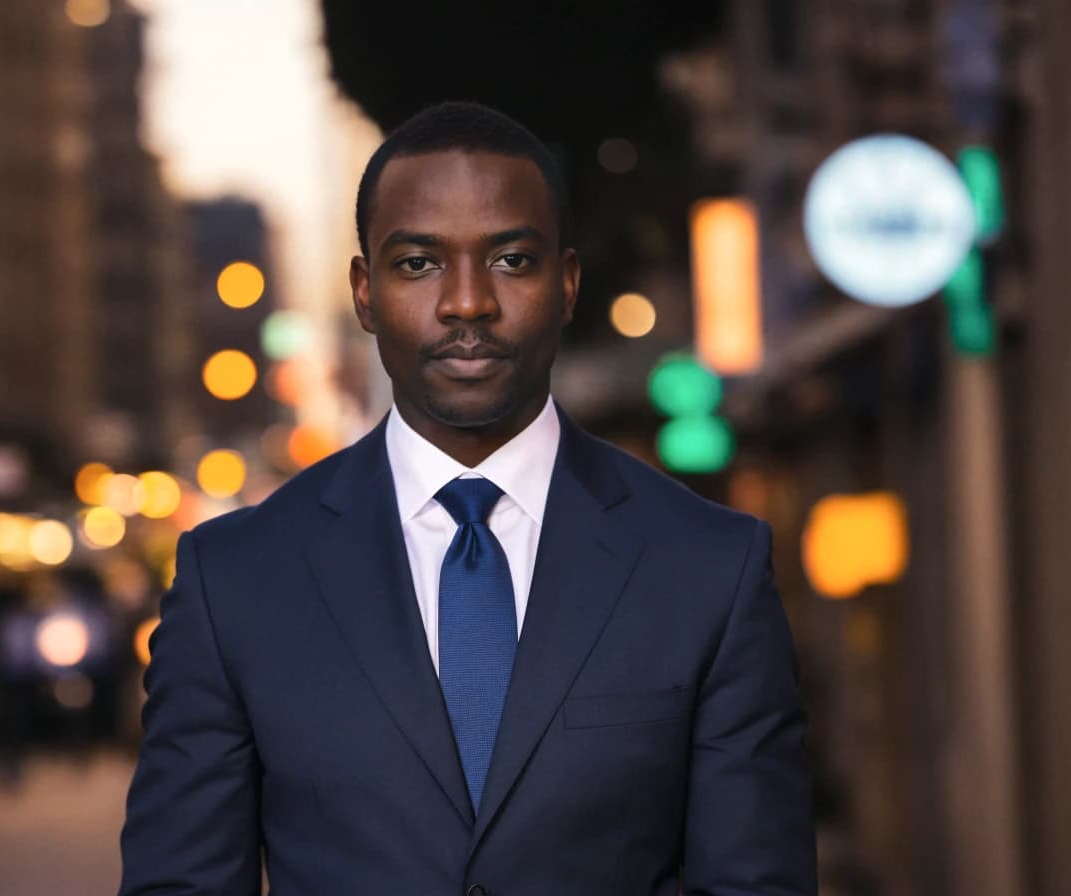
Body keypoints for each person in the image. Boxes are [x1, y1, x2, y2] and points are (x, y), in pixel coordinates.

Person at [119, 101, 816, 896]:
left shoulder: (709, 569)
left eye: (512, 261)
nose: (467, 303)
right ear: (364, 292)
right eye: (418, 263)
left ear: (568, 283)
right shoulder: (234, 579)